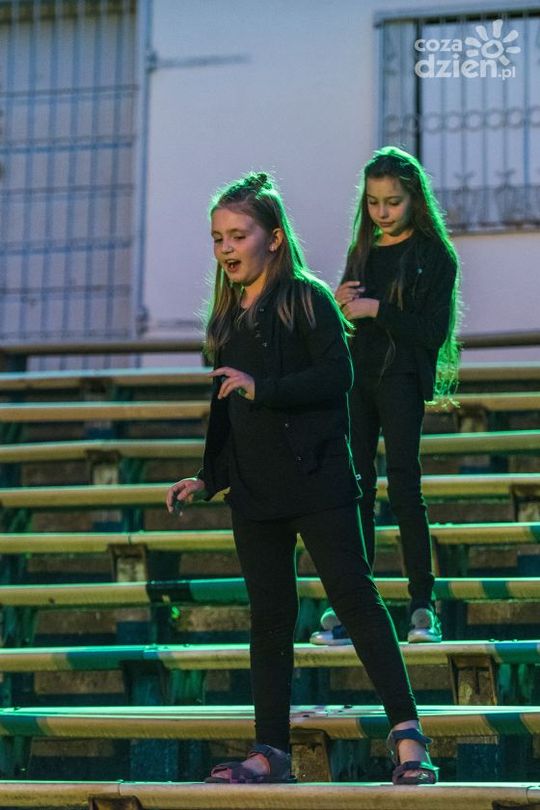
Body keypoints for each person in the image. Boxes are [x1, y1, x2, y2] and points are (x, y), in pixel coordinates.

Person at [166, 171, 438, 785]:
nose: (227, 248)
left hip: (318, 481)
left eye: (239, 235)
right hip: (255, 489)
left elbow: (337, 377)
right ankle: (270, 751)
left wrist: (263, 388)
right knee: (269, 620)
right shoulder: (227, 315)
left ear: (274, 238)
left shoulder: (307, 298)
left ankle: (408, 737)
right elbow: (227, 408)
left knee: (356, 601)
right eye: (218, 238)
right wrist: (207, 477)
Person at [311, 146, 461, 648]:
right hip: (358, 381)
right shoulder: (364, 249)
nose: (382, 212)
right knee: (355, 488)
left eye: (393, 202)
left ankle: (422, 606)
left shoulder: (436, 255)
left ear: (414, 199)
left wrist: (377, 309)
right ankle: (354, 607)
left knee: (404, 489)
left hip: (402, 379)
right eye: (374, 202)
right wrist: (338, 307)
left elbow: (433, 332)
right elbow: (346, 322)